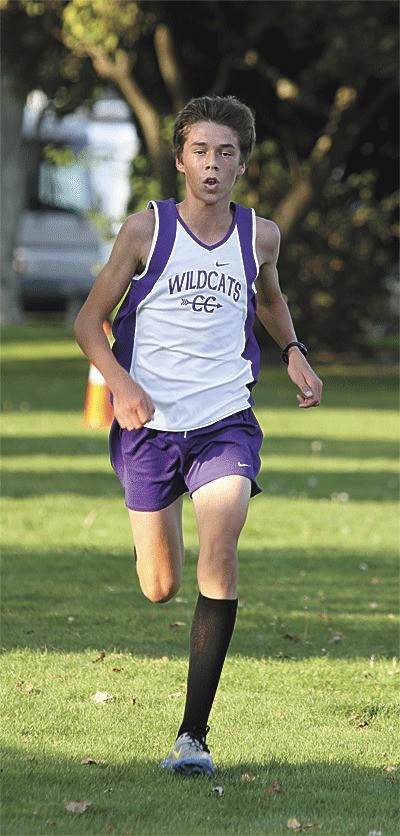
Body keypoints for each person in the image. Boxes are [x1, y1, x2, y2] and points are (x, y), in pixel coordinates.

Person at [74, 95, 322, 778]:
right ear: (181, 158)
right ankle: (160, 521)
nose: (212, 164)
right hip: (149, 425)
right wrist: (120, 385)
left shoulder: (260, 235)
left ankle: (193, 737)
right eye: (201, 151)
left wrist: (292, 348)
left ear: (242, 163)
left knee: (224, 540)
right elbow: (89, 323)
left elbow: (268, 296)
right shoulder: (144, 232)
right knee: (159, 585)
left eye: (226, 153)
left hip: (224, 420)